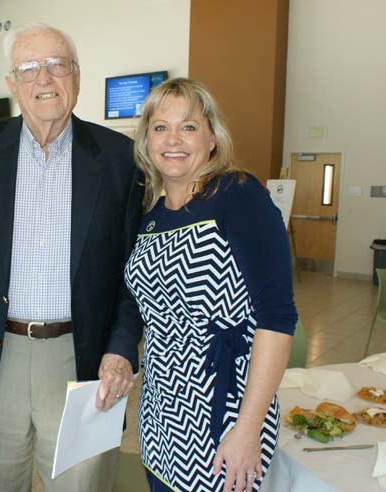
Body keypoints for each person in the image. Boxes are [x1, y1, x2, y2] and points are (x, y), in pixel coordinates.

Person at [0, 23, 143, 492]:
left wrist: (120, 347)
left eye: (57, 65)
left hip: (83, 358)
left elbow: (132, 271)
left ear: (77, 76)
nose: (45, 79)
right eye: (29, 69)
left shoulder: (121, 158)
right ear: (11, 84)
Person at [124, 78, 297, 492]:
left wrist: (247, 429)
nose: (173, 139)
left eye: (188, 126)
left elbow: (276, 318)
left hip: (225, 412)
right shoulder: (149, 218)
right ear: (146, 140)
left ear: (212, 138)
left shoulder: (237, 195)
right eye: (160, 127)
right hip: (160, 415)